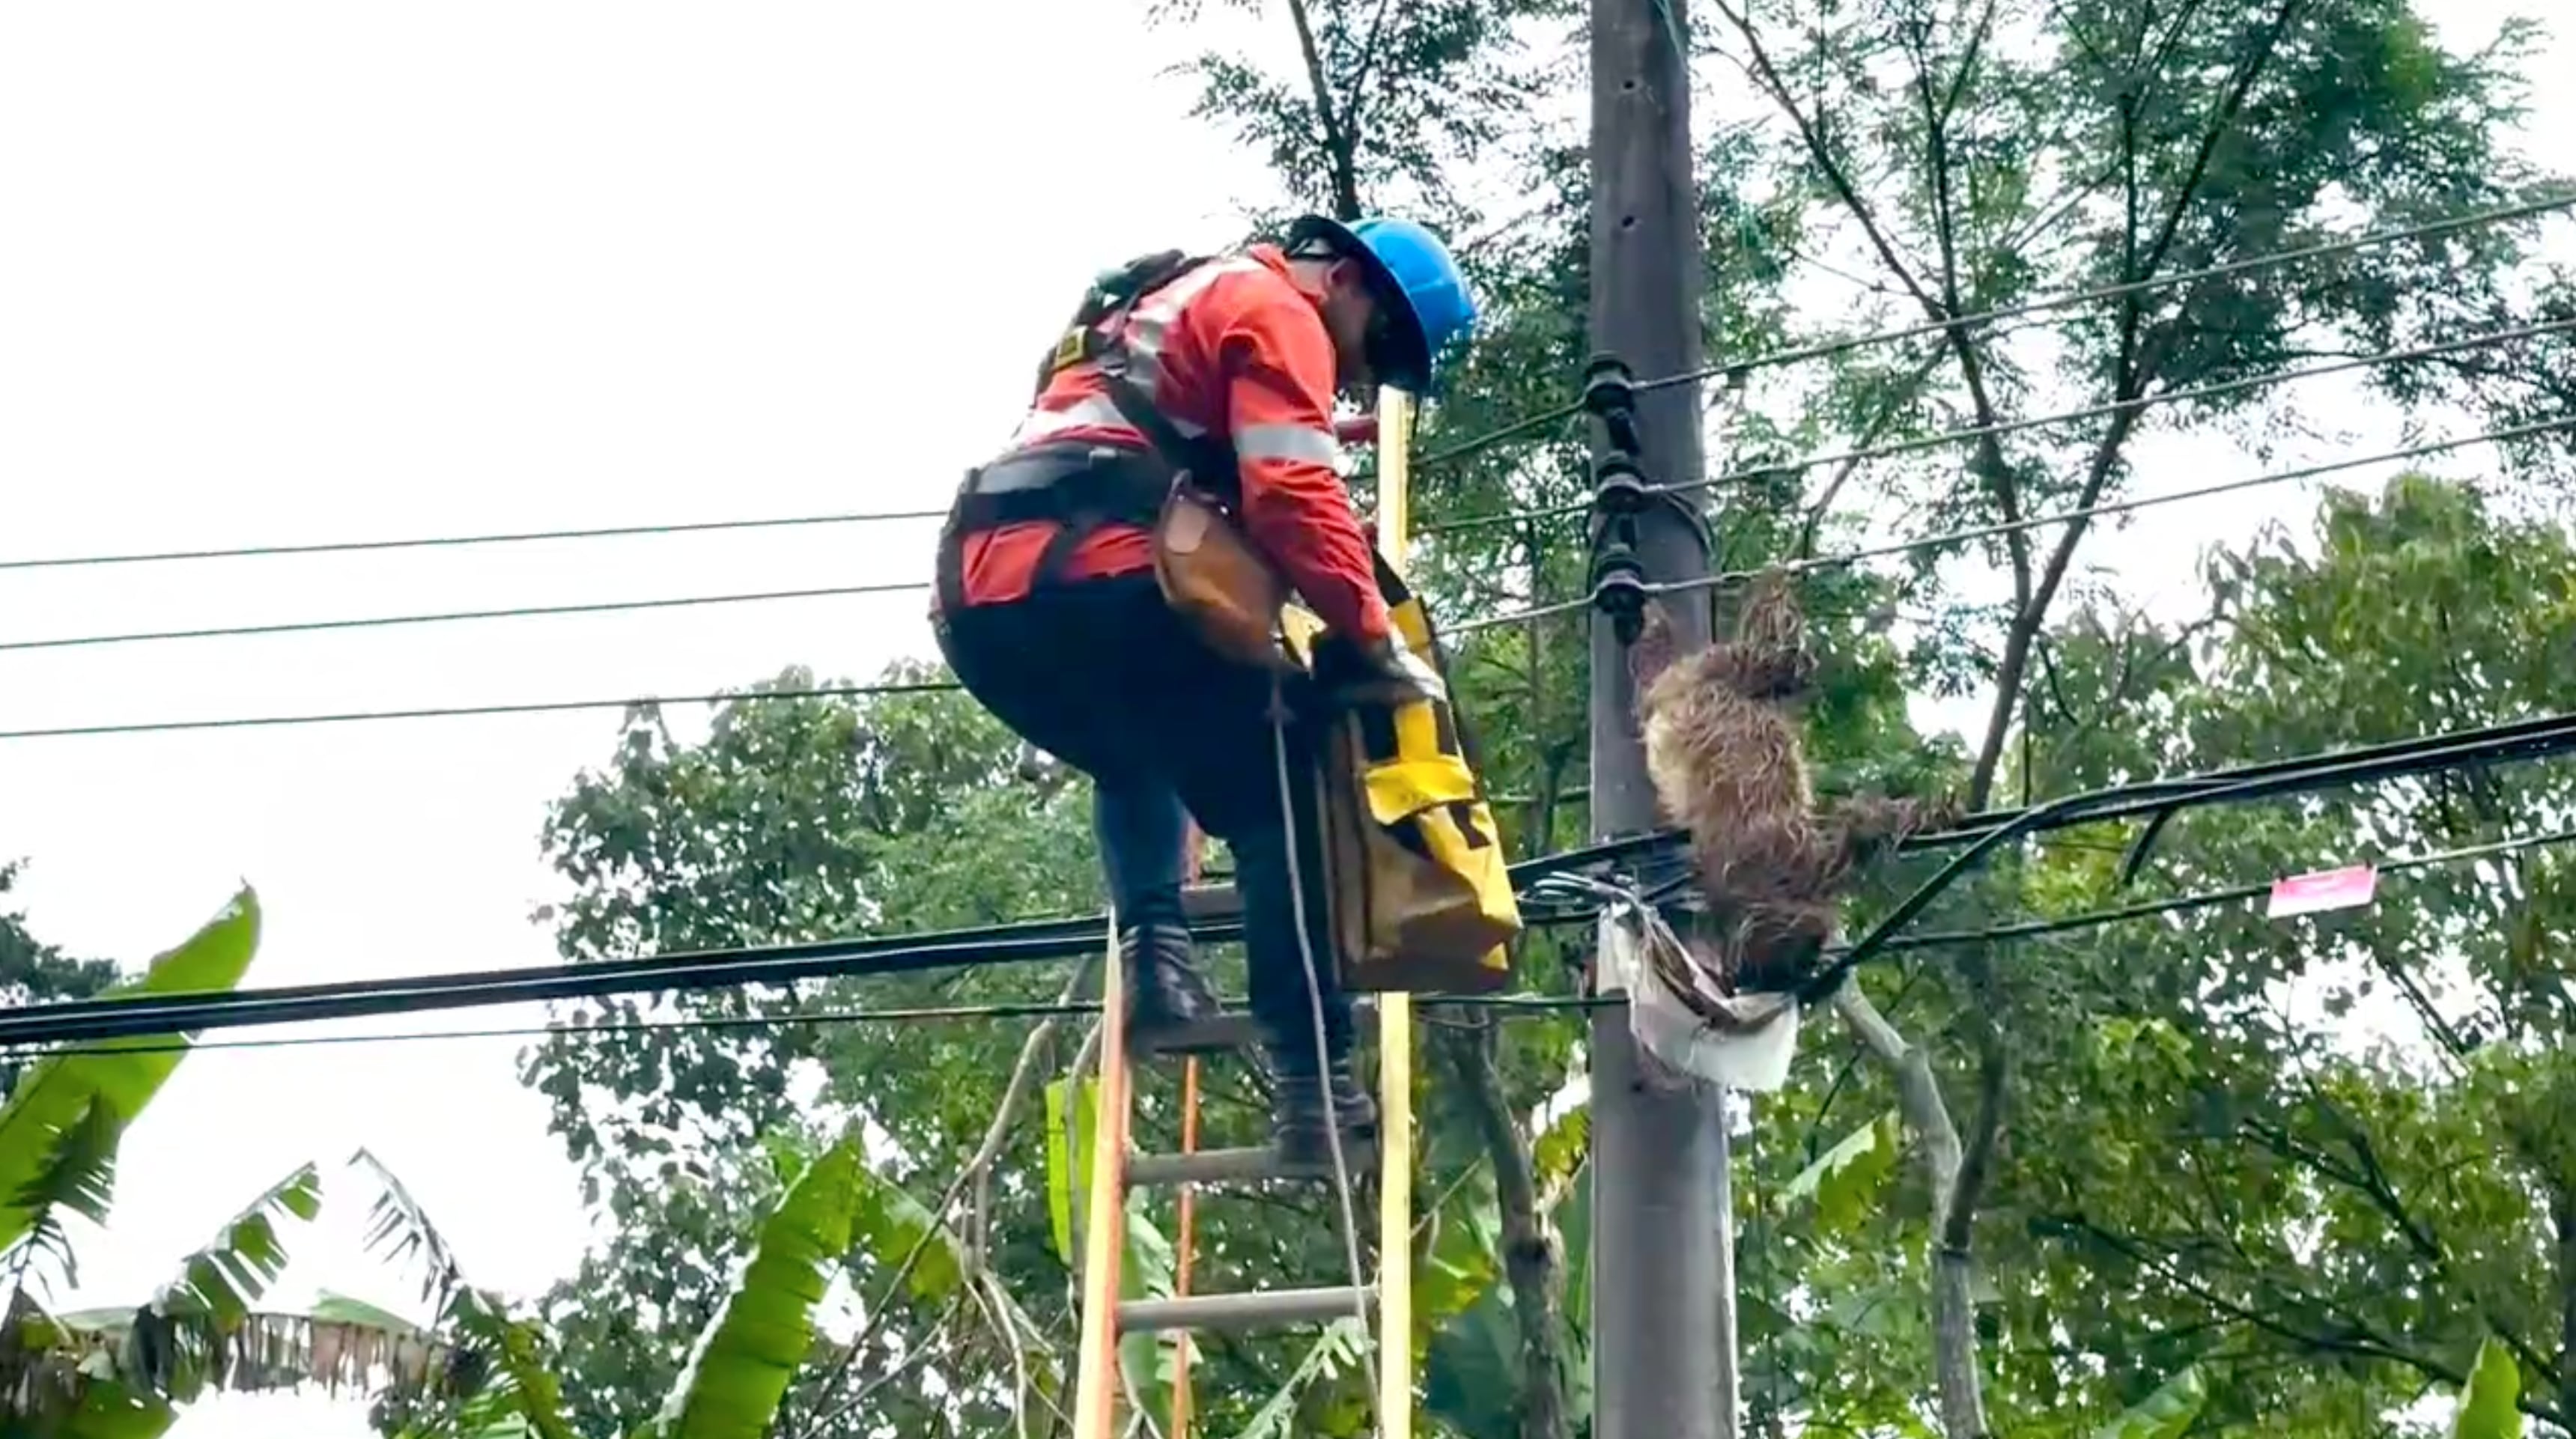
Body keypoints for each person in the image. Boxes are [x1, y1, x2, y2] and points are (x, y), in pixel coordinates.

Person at [928, 213, 1477, 1162]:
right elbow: (1295, 496)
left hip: (983, 604)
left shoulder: (1145, 309)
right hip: (1097, 575)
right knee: (1286, 791)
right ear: (1341, 278)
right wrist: (1372, 636)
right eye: (1377, 346)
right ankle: (1315, 1089)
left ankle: (1156, 961)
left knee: (1132, 748)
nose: (1357, 378)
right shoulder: (1274, 308)